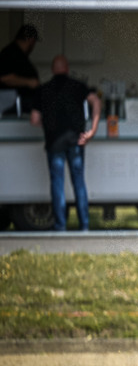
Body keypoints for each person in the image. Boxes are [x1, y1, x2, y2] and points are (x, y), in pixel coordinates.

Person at [30, 55, 100, 231]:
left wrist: (47, 124)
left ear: (53, 70)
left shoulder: (43, 89)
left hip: (54, 143)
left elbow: (34, 119)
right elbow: (96, 102)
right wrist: (92, 131)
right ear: (67, 68)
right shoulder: (78, 86)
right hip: (76, 141)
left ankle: (60, 226)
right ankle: (84, 225)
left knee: (57, 184)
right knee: (79, 182)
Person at [0, 24, 41, 116]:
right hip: (11, 106)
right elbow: (4, 77)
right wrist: (29, 82)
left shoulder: (20, 55)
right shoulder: (9, 53)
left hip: (21, 107)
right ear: (30, 39)